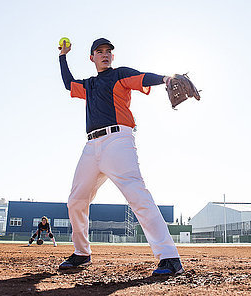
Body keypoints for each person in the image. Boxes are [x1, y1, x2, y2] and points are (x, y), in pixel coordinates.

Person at [57, 37, 184, 276]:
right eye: (99, 51)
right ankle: (82, 253)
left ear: (112, 57)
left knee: (137, 195)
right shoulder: (90, 85)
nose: (105, 54)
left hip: (118, 141)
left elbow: (144, 77)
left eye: (108, 52)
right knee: (76, 200)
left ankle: (169, 257)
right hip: (91, 146)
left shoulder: (119, 75)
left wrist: (166, 78)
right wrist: (63, 56)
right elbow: (68, 83)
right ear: (92, 57)